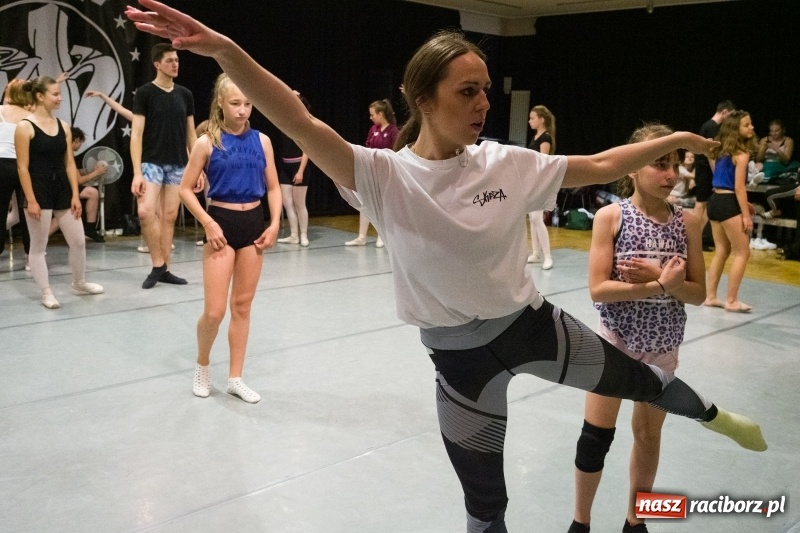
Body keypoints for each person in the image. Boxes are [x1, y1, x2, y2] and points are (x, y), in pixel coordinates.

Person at [127, 4, 766, 531]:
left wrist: (678, 140)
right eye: (468, 91)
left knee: (644, 380)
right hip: (460, 363)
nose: (484, 102)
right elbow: (296, 117)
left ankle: (717, 417)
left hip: (532, 325)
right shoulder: (379, 176)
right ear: (421, 98)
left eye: (486, 89)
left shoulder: (506, 163)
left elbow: (601, 164)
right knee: (486, 506)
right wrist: (224, 50)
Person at [568, 124, 709, 533]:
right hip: (615, 343)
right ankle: (580, 522)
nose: (670, 175)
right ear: (633, 168)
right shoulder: (612, 217)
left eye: (674, 166)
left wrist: (673, 283)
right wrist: (659, 284)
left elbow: (699, 294)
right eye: (658, 165)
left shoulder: (689, 223)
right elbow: (599, 289)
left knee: (648, 436)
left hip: (662, 347)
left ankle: (636, 522)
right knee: (596, 437)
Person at [179, 73, 282, 403]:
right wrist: (208, 223)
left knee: (242, 306)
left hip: (253, 224)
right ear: (220, 102)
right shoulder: (206, 142)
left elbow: (274, 187)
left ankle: (236, 377)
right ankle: (202, 364)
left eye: (248, 103)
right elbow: (185, 189)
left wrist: (276, 222)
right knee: (214, 311)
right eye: (235, 103)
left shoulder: (262, 141)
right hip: (221, 224)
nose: (242, 110)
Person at [14, 76, 103, 308]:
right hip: (38, 188)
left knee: (78, 242)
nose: (60, 98)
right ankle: (46, 291)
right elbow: (22, 167)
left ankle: (79, 282)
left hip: (62, 188)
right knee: (38, 247)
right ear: (40, 96)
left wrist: (75, 194)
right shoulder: (25, 126)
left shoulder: (63, 126)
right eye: (55, 94)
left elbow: (69, 164)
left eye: (60, 93)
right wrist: (31, 200)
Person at [131, 42, 197, 288]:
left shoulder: (185, 94)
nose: (175, 64)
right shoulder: (145, 93)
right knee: (146, 212)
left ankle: (165, 269)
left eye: (177, 60)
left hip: (179, 164)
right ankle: (158, 264)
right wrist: (137, 172)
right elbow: (136, 134)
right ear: (157, 64)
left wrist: (195, 167)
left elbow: (191, 134)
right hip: (152, 162)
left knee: (169, 216)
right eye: (170, 60)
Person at [704, 110, 757, 313]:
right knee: (743, 252)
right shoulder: (741, 154)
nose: (751, 127)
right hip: (728, 203)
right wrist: (745, 215)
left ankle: (710, 296)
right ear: (736, 130)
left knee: (722, 251)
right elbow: (739, 187)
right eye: (746, 124)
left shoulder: (721, 153)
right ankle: (732, 300)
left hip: (715, 200)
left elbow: (724, 182)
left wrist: (745, 205)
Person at [344, 99, 399, 248]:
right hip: (371, 171)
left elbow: (396, 151)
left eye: (373, 114)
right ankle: (361, 236)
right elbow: (367, 146)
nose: (371, 118)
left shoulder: (393, 131)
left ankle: (382, 236)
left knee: (383, 205)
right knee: (365, 202)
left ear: (381, 114)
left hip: (386, 172)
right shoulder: (373, 129)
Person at [693, 100, 736, 248]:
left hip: (706, 171)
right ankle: (692, 238)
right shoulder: (712, 127)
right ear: (724, 112)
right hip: (705, 171)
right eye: (729, 115)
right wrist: (717, 175)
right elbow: (711, 153)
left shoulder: (709, 126)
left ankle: (698, 237)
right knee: (701, 204)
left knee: (705, 204)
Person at [0, 79, 32, 265]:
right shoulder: (32, 115)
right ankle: (31, 256)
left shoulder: (1, 111)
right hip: (25, 166)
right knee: (28, 211)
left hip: (2, 165)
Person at [275, 91, 311, 246]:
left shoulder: (304, 122)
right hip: (285, 166)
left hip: (299, 166)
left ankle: (303, 234)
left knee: (299, 203)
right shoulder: (283, 119)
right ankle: (294, 235)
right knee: (287, 202)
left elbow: (307, 149)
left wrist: (301, 171)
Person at [526, 105, 556, 269]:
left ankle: (548, 256)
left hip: (540, 182)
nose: (530, 121)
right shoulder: (536, 137)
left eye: (532, 118)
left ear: (541, 120)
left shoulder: (545, 138)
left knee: (537, 218)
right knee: (532, 218)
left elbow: (544, 161)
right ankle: (536, 253)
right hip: (532, 181)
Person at [68, 127, 107, 243]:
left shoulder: (66, 151)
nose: (80, 146)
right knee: (93, 192)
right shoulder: (68, 152)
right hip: (65, 189)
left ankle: (89, 229)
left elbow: (73, 172)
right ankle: (90, 228)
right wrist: (96, 173)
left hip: (61, 186)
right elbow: (78, 181)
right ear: (77, 140)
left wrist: (87, 171)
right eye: (80, 143)